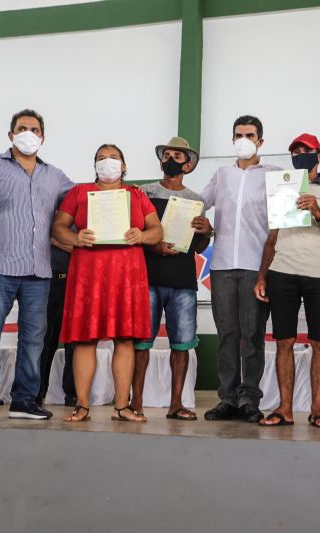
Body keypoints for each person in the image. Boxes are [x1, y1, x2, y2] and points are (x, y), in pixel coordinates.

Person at [0, 109, 73, 422]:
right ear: (11, 135)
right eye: (22, 128)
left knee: (33, 340)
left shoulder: (55, 176)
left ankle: (24, 400)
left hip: (39, 272)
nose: (29, 133)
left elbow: (81, 201)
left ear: (43, 137)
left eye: (35, 129)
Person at [52, 143, 162, 422]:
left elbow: (157, 230)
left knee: (124, 340)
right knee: (84, 340)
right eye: (101, 158)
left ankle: (122, 406)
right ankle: (82, 405)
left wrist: (142, 236)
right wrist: (75, 238)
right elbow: (58, 227)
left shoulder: (137, 195)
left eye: (113, 158)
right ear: (94, 166)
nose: (107, 162)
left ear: (124, 166)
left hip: (127, 276)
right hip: (88, 274)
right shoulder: (78, 193)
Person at [255, 133, 320, 428]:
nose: (300, 154)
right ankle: (284, 409)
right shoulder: (283, 186)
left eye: (307, 150)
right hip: (283, 271)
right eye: (295, 151)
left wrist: (317, 212)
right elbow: (272, 237)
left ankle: (318, 409)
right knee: (284, 342)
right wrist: (262, 275)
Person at [200, 116, 280, 424]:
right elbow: (198, 204)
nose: (243, 139)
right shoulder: (220, 175)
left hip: (256, 266)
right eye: (238, 134)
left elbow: (283, 223)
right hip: (220, 265)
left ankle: (249, 399)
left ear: (260, 140)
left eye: (249, 135)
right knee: (227, 335)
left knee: (252, 336)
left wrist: (268, 270)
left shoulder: (275, 176)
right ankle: (227, 398)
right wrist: (201, 222)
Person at [132, 137, 211, 420]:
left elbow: (198, 248)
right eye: (167, 154)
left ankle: (176, 403)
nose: (172, 159)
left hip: (183, 282)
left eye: (178, 156)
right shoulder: (143, 193)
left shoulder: (197, 200)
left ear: (187, 165)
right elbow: (134, 234)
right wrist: (153, 246)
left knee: (182, 345)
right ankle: (136, 403)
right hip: (148, 278)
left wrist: (206, 232)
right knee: (142, 344)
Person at [36, 240, 76, 408]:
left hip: (76, 279)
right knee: (46, 341)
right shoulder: (50, 212)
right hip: (50, 280)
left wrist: (56, 239)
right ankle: (38, 392)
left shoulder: (87, 215)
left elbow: (86, 247)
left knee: (74, 342)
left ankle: (72, 395)